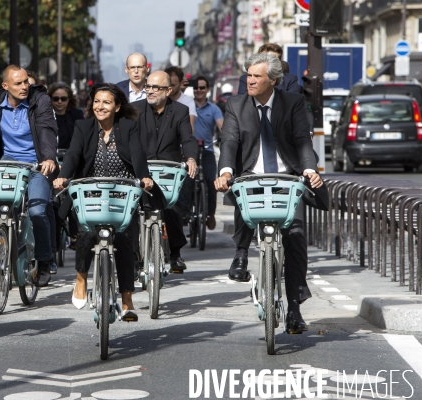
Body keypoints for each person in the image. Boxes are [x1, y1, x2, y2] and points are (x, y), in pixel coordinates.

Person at [214, 53, 326, 334]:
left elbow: (302, 139)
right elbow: (229, 140)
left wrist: (309, 170)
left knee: (296, 237)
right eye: (248, 75)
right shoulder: (236, 105)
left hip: (287, 176)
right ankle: (241, 254)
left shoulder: (293, 103)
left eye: (256, 76)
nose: (250, 80)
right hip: (252, 174)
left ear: (272, 81)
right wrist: (226, 171)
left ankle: (295, 309)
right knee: (242, 189)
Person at [53, 83, 154, 321]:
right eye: (97, 101)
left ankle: (127, 299)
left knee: (125, 239)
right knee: (86, 234)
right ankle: (80, 278)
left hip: (122, 192)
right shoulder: (83, 126)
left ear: (117, 107)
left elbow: (138, 154)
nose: (101, 106)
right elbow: (74, 154)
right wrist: (64, 176)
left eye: (107, 102)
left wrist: (143, 177)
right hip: (91, 191)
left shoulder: (128, 127)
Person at [0, 65, 59, 287]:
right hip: (6, 163)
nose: (25, 86)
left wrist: (48, 158)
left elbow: (47, 129)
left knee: (37, 210)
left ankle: (45, 260)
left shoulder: (40, 100)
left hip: (36, 164)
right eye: (18, 83)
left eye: (26, 81)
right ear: (5, 86)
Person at [131, 71, 198, 273]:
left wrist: (191, 158)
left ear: (168, 90)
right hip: (141, 167)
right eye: (148, 87)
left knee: (172, 205)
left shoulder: (180, 110)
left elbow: (187, 139)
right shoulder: (134, 110)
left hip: (169, 169)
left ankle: (175, 253)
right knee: (132, 208)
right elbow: (127, 140)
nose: (150, 91)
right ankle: (134, 256)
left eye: (156, 88)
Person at [48, 82, 85, 248]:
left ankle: (74, 234)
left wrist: (70, 163)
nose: (59, 102)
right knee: (53, 201)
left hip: (72, 159)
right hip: (51, 159)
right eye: (55, 98)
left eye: (63, 98)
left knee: (72, 193)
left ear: (69, 99)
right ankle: (55, 242)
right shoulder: (46, 115)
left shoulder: (76, 115)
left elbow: (80, 141)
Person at [193, 75, 223, 230]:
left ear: (208, 90)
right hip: (190, 152)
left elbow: (221, 126)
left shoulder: (214, 109)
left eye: (202, 88)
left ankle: (210, 214)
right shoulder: (188, 107)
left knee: (211, 181)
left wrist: (226, 137)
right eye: (196, 88)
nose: (199, 90)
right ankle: (187, 212)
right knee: (187, 181)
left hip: (207, 151)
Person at [164, 66, 197, 131]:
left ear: (181, 83)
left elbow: (190, 128)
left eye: (173, 85)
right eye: (168, 85)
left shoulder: (188, 102)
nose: (169, 88)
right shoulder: (160, 99)